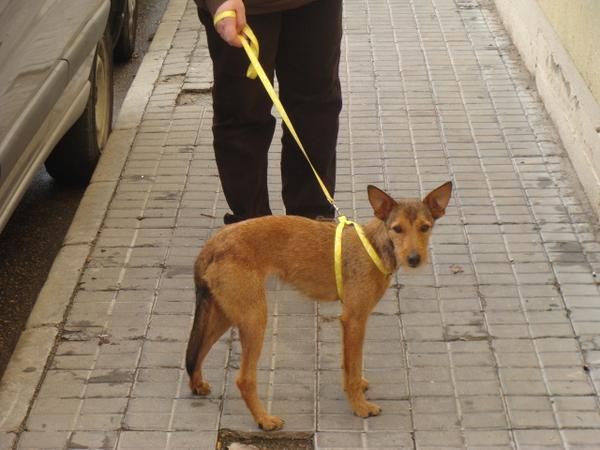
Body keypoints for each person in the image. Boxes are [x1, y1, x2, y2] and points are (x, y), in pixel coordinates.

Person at [193, 0, 343, 224]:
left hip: (316, 6)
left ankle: (312, 226)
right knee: (242, 114)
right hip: (244, 7)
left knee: (317, 110)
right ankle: (252, 230)